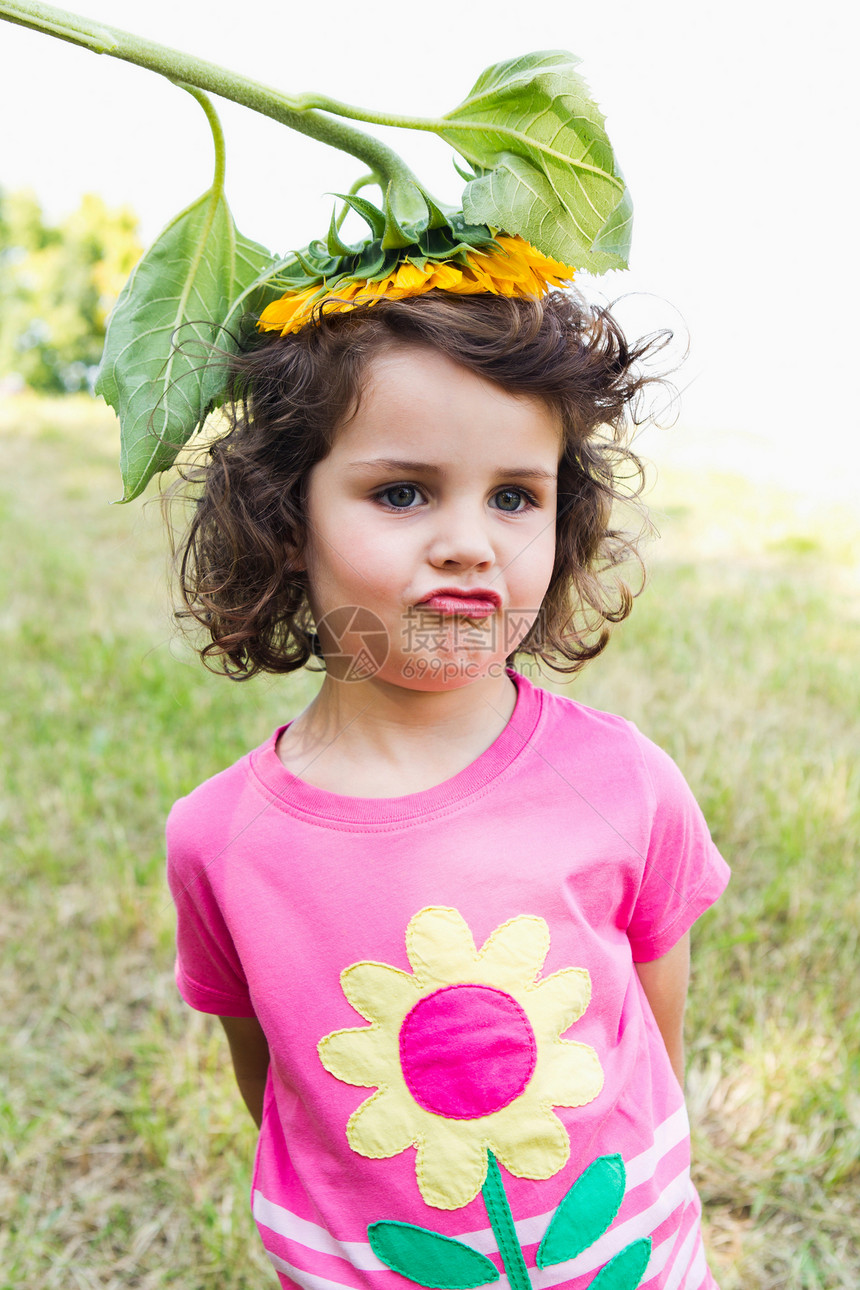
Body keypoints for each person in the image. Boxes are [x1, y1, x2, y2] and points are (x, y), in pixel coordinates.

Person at [165, 264, 730, 1290]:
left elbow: (653, 1021)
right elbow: (281, 1084)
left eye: (514, 497)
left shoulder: (619, 782)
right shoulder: (220, 839)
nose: (468, 544)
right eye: (400, 492)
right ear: (287, 519)